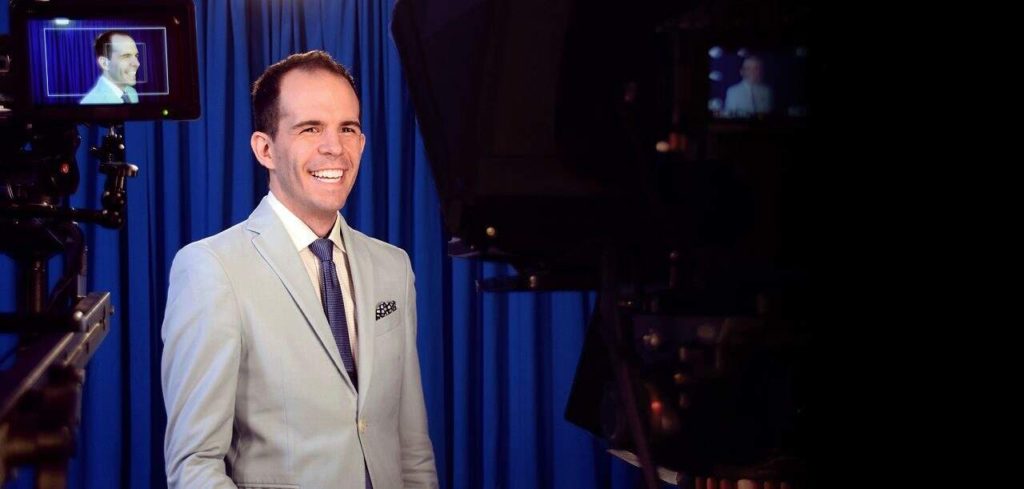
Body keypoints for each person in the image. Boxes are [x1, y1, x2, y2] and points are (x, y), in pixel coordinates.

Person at [161, 50, 438, 488]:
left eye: (347, 128)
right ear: (265, 149)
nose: (334, 147)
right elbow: (194, 465)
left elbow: (411, 446)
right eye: (310, 128)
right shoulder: (212, 268)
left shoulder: (393, 266)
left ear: (362, 142)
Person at [80, 30, 140, 105]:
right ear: (105, 63)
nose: (137, 64)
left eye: (136, 56)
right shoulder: (91, 103)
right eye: (126, 56)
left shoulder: (132, 93)